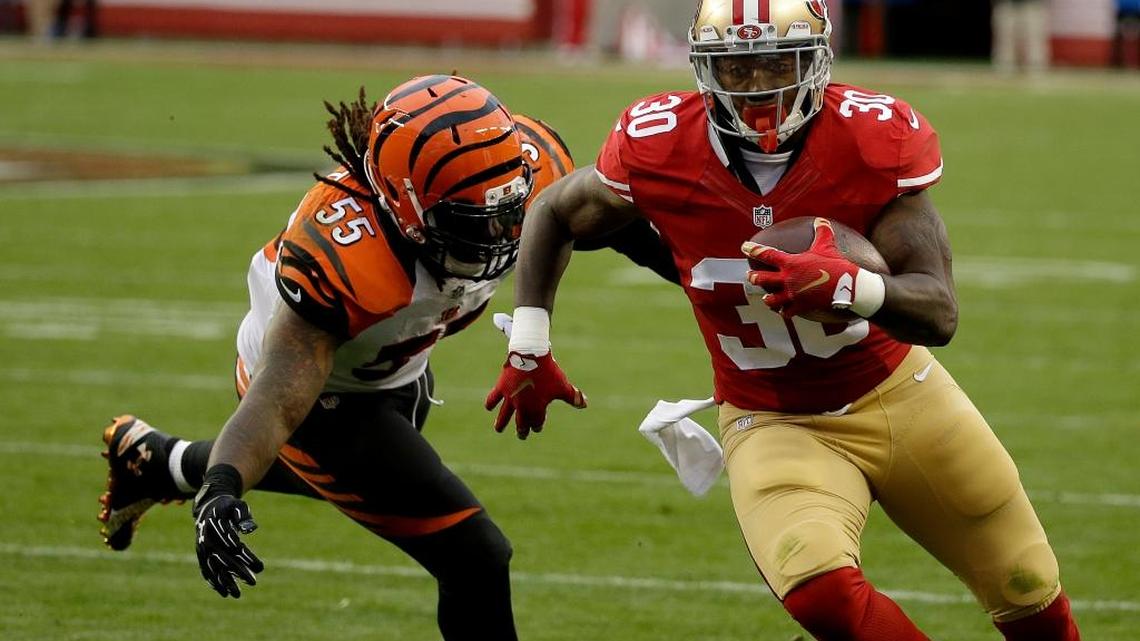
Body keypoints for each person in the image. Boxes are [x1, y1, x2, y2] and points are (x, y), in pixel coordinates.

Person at [485, 1, 1082, 639]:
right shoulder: (658, 145)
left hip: (899, 396)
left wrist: (854, 286)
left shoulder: (870, 138)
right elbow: (552, 211)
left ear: (818, 60)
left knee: (1026, 588)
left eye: (777, 62)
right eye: (736, 67)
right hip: (770, 417)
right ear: (703, 68)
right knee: (819, 590)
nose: (758, 85)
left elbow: (939, 312)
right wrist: (529, 345)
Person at [97, 75, 577, 641]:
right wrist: (222, 486)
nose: (501, 235)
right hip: (324, 396)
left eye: (508, 212)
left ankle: (157, 461)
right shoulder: (345, 255)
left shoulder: (523, 170)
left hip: (397, 365)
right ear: (406, 206)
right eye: (472, 221)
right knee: (474, 556)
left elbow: (587, 215)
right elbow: (278, 401)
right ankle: (185, 469)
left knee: (351, 483)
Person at [992, 0, 1050, 74]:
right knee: (1005, 44)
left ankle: (1037, 74)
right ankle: (1003, 73)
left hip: (1033, 6)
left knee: (1034, 45)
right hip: (1007, 6)